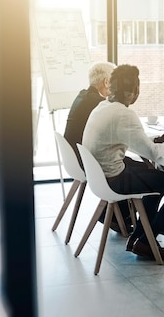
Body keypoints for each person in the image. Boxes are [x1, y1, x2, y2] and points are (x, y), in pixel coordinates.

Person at [82, 65, 164, 261]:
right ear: (133, 92)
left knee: (154, 175)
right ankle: (146, 240)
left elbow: (133, 141)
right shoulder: (124, 114)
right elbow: (153, 153)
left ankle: (141, 238)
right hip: (113, 179)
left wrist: (156, 141)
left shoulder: (103, 106)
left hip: (100, 175)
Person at [62, 61, 132, 233]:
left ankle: (119, 216)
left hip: (76, 159)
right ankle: (118, 216)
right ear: (107, 82)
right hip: (87, 163)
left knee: (124, 162)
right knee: (127, 166)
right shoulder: (98, 103)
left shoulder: (83, 96)